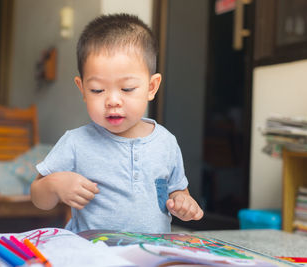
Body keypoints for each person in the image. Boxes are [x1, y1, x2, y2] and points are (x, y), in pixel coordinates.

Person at [31, 13, 203, 233]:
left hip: (151, 254)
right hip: (93, 255)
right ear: (82, 89)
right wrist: (54, 185)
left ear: (151, 87)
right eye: (97, 90)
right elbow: (38, 196)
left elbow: (178, 190)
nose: (112, 101)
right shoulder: (75, 142)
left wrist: (183, 202)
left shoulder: (166, 143)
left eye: (127, 89)